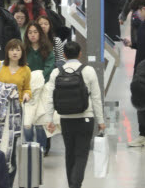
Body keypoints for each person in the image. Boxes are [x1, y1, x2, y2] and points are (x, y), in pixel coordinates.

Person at [43, 40, 105, 188]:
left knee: (69, 154)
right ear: (80, 54)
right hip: (86, 118)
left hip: (65, 119)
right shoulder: (88, 71)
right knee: (81, 154)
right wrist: (101, 120)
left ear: (63, 55)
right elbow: (96, 97)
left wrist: (48, 120)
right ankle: (75, 185)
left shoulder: (56, 72)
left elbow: (49, 98)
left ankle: (72, 184)